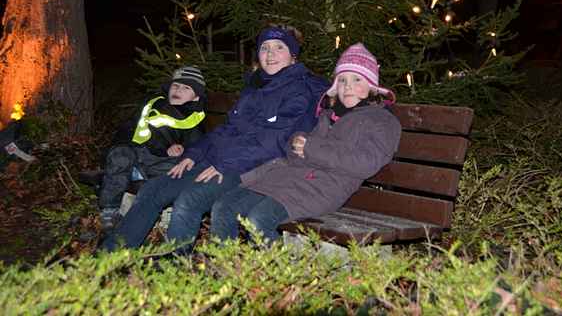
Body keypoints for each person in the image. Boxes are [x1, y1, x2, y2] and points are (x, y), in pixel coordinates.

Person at [101, 25, 329, 252]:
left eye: (279, 48)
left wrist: (225, 164)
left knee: (189, 200)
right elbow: (227, 129)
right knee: (153, 190)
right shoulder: (256, 87)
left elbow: (275, 143)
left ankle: (174, 265)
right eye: (265, 48)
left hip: (255, 169)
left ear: (293, 56)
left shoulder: (300, 91)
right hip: (223, 160)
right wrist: (195, 153)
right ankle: (109, 256)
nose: (270, 54)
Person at [210, 43, 402, 244]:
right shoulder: (329, 114)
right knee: (224, 206)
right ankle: (229, 268)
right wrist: (298, 144)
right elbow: (298, 151)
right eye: (342, 80)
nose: (348, 87)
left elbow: (365, 163)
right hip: (291, 179)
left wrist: (310, 147)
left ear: (372, 86)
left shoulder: (382, 120)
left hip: (324, 188)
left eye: (357, 79)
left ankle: (278, 273)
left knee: (259, 219)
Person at [98, 66, 207, 230]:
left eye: (186, 88)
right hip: (135, 151)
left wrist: (182, 149)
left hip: (160, 160)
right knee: (120, 155)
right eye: (175, 86)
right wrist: (121, 144)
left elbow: (197, 145)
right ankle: (110, 208)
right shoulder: (153, 103)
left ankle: (166, 210)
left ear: (196, 97)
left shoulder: (194, 117)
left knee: (178, 168)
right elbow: (129, 126)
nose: (178, 90)